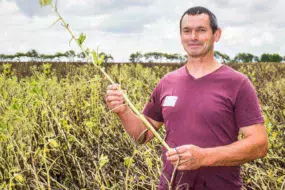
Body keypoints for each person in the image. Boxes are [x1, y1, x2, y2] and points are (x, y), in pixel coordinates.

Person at [105, 6, 268, 190]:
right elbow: (143, 135)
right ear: (181, 36)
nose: (193, 37)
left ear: (216, 34)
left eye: (201, 30)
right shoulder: (167, 82)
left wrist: (204, 157)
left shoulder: (237, 83)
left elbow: (259, 144)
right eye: (187, 31)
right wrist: (123, 111)